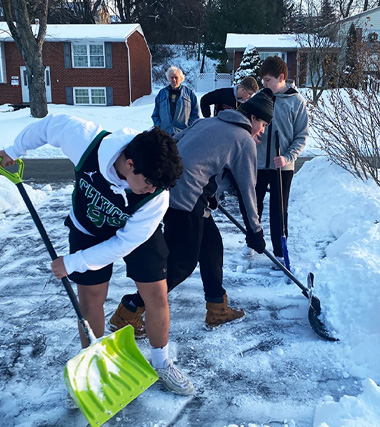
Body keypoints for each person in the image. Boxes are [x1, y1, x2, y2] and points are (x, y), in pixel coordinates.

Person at [0, 114, 194, 396]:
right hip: (87, 227)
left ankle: (162, 362)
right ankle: (93, 362)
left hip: (135, 234)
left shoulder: (155, 197)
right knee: (90, 297)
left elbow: (121, 245)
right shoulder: (86, 141)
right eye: (149, 183)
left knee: (156, 294)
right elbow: (49, 126)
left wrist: (73, 262)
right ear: (130, 164)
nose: (152, 190)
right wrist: (14, 150)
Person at [108, 88, 274, 337]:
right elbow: (248, 190)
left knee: (212, 246)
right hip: (186, 202)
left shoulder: (209, 121)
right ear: (252, 117)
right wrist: (255, 231)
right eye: (262, 123)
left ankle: (217, 308)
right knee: (181, 265)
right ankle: (129, 310)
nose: (262, 130)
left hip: (168, 192)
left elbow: (174, 143)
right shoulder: (243, 140)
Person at [242, 57, 309, 263]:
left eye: (268, 80)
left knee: (279, 209)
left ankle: (280, 251)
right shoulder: (260, 97)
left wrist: (288, 156)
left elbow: (302, 135)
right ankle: (252, 241)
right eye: (262, 80)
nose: (264, 84)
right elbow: (243, 121)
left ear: (281, 78)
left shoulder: (297, 102)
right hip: (258, 163)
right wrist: (251, 136)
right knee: (254, 206)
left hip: (283, 166)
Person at [152, 66, 200, 136]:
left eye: (176, 77)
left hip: (183, 134)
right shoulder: (161, 94)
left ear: (181, 79)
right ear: (168, 78)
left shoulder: (189, 94)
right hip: (165, 134)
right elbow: (155, 115)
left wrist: (189, 127)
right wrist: (159, 127)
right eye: (171, 77)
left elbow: (196, 114)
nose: (174, 80)